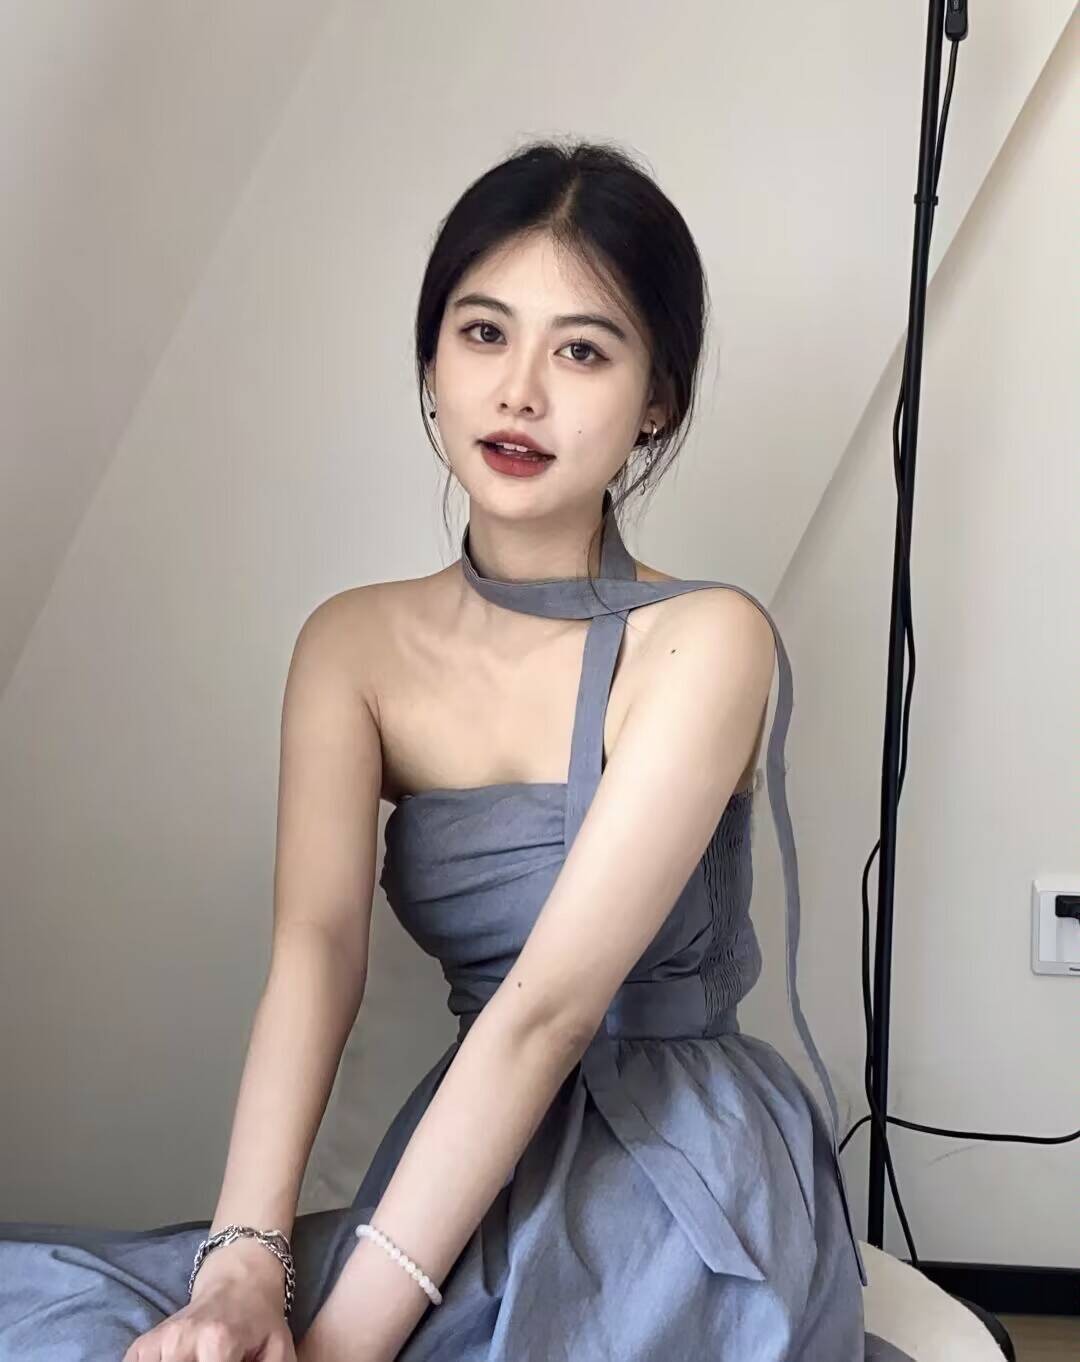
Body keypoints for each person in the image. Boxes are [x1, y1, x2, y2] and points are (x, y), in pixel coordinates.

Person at [0, 139, 915, 1361]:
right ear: (432, 361)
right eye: (483, 333)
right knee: (84, 1324)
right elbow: (317, 952)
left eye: (581, 351)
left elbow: (550, 1013)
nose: (519, 392)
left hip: (682, 1181)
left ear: (657, 400)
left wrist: (341, 1348)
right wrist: (243, 1271)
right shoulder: (351, 645)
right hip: (466, 1167)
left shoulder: (706, 640)